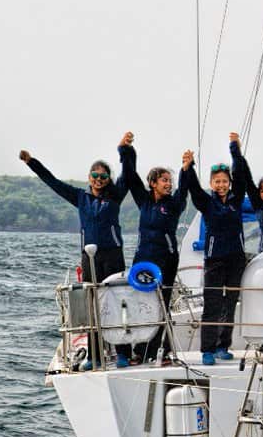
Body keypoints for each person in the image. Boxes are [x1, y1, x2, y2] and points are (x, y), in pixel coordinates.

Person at [19, 135, 132, 369]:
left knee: (117, 301)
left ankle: (123, 352)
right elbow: (53, 182)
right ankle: (95, 355)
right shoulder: (81, 198)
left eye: (103, 176)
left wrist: (126, 149)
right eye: (95, 176)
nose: (99, 180)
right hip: (89, 257)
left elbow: (129, 172)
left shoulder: (115, 195)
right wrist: (32, 162)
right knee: (93, 307)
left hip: (113, 255)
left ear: (108, 178)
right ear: (89, 178)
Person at [121, 131, 193, 365]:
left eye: (170, 181)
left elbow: (184, 190)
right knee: (142, 305)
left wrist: (185, 169)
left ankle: (163, 352)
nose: (168, 184)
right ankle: (140, 352)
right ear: (153, 183)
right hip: (143, 259)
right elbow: (131, 177)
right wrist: (126, 150)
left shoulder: (173, 204)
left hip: (166, 260)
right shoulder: (144, 200)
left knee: (161, 305)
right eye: (164, 180)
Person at [183, 134, 246, 366]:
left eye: (224, 181)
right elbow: (192, 189)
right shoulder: (206, 202)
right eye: (217, 181)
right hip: (214, 260)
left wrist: (235, 150)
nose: (221, 184)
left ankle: (223, 346)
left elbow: (241, 176)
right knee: (212, 305)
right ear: (211, 183)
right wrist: (189, 167)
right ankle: (207, 350)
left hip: (236, 259)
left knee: (229, 304)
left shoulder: (236, 199)